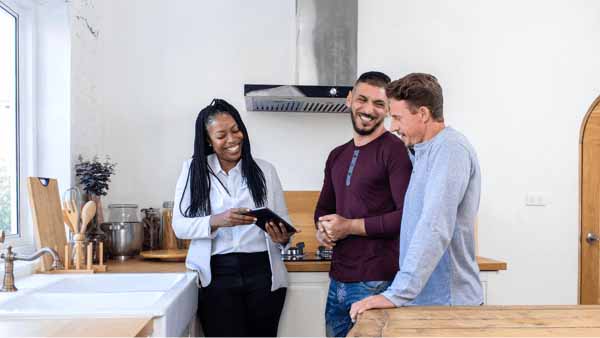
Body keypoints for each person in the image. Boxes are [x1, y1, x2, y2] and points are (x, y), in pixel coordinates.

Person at [350, 73, 483, 322]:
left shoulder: (450, 149)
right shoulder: (423, 152)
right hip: (428, 302)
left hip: (448, 305)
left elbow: (435, 225)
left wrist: (397, 293)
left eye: (398, 118)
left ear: (422, 114)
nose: (393, 127)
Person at [172, 98, 293, 337]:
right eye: (221, 135)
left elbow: (283, 221)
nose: (232, 139)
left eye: (236, 130)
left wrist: (282, 237)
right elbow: (179, 226)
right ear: (208, 140)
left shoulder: (265, 170)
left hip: (262, 273)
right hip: (217, 275)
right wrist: (216, 220)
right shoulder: (193, 170)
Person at [314, 71, 412, 337]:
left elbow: (407, 217)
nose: (368, 110)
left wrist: (348, 227)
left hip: (377, 282)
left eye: (379, 104)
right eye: (362, 99)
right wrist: (322, 230)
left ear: (389, 109)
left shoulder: (395, 151)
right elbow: (323, 208)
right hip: (338, 280)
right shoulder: (337, 155)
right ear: (349, 99)